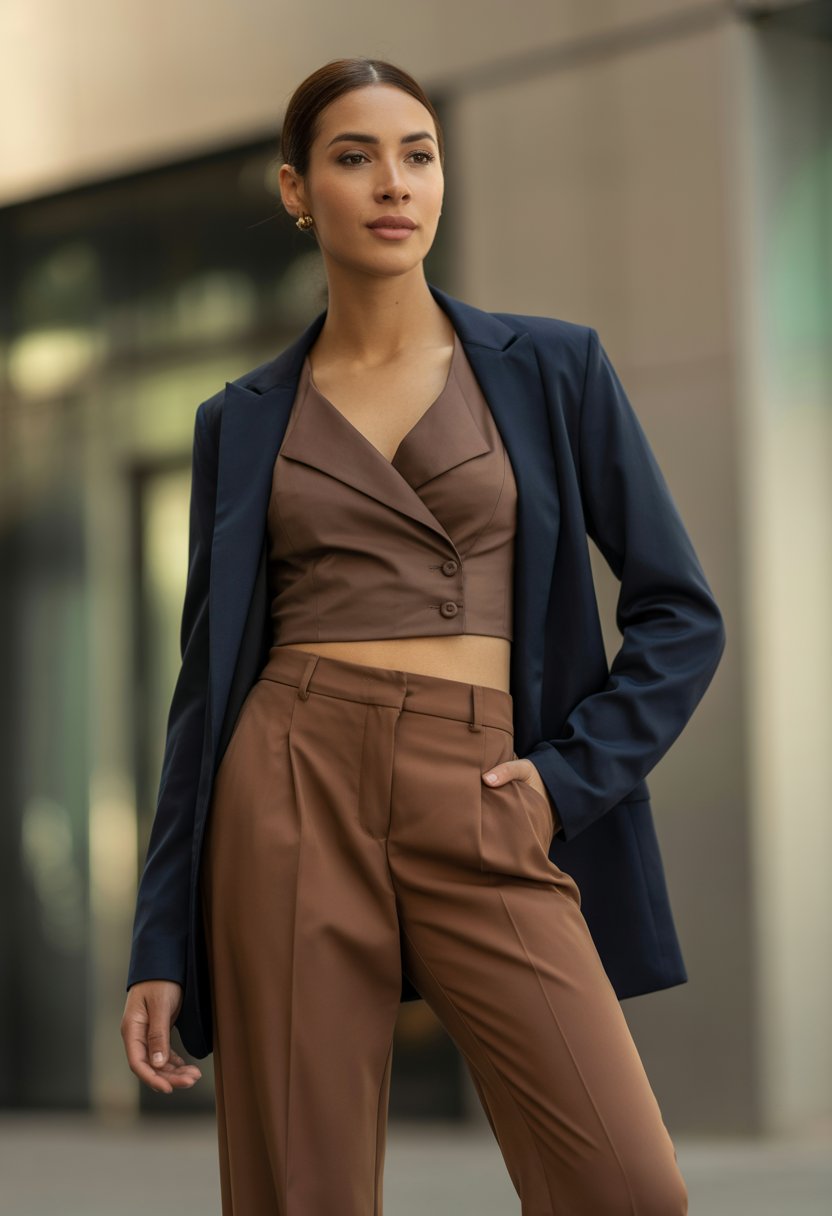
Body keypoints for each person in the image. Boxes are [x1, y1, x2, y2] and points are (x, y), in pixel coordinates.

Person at [121, 56, 725, 1215]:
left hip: (487, 786)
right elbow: (203, 696)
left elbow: (678, 613)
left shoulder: (550, 367)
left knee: (626, 1188)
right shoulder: (240, 421)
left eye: (418, 154)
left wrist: (561, 785)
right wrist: (160, 937)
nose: (394, 184)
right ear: (298, 191)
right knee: (304, 1192)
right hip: (287, 785)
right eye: (355, 158)